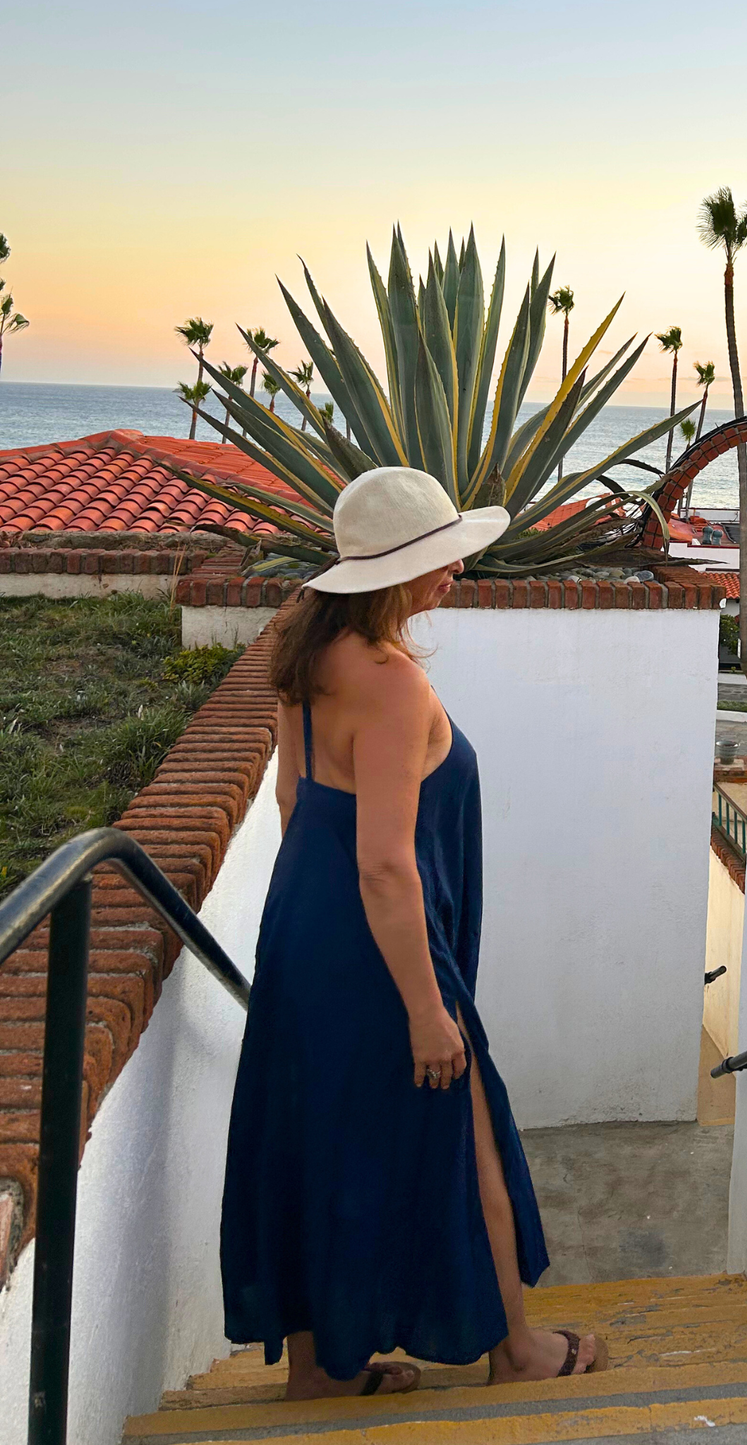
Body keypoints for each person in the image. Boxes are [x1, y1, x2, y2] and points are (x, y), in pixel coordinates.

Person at [221, 466, 605, 1399]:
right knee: (463, 1127)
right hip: (378, 937)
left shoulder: (304, 646)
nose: (456, 571)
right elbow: (386, 862)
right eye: (440, 558)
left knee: (313, 1131)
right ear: (393, 571)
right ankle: (514, 1348)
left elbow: (290, 800)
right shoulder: (390, 681)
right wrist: (427, 1009)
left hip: (304, 925)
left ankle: (317, 1371)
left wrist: (313, 932)